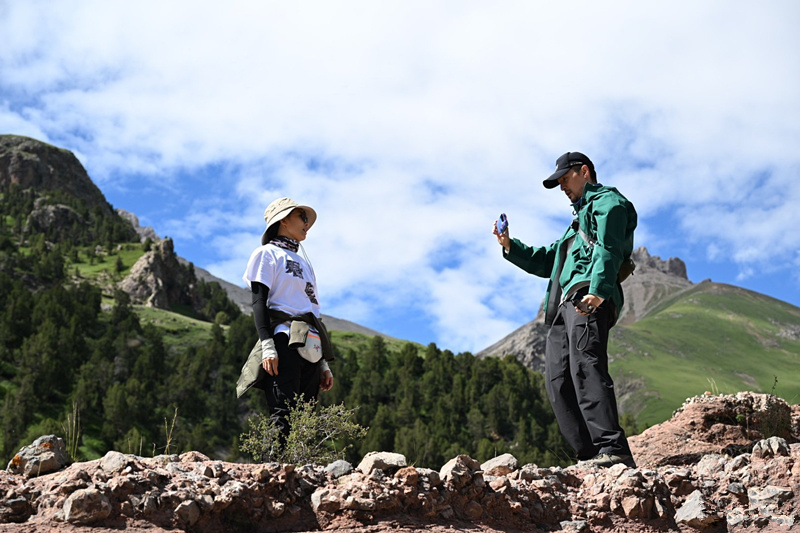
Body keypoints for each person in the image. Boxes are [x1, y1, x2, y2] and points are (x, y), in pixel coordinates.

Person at [493, 152, 637, 468]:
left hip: (588, 295)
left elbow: (609, 248)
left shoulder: (607, 202)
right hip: (563, 305)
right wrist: (509, 245)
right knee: (557, 381)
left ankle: (614, 450)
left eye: (564, 179)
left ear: (583, 172)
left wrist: (598, 291)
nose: (561, 187)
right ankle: (589, 456)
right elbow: (548, 260)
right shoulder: (574, 227)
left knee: (587, 366)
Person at [242, 197, 334, 441]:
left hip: (312, 341)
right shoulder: (266, 254)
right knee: (282, 413)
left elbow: (312, 309)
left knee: (306, 418)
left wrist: (323, 361)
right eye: (301, 217)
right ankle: (272, 474)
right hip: (283, 338)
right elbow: (259, 301)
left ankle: (300, 473)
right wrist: (268, 346)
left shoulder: (305, 263)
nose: (307, 223)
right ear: (284, 220)